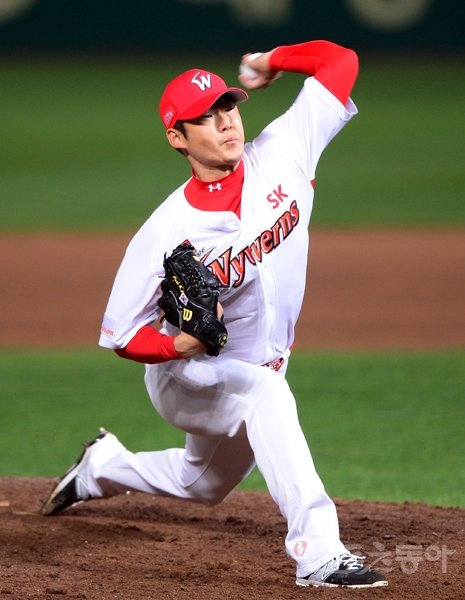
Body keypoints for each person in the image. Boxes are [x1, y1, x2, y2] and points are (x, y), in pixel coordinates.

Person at [40, 39, 388, 589]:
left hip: (260, 366)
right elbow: (121, 335)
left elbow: (340, 62)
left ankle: (101, 468)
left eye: (228, 106)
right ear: (177, 138)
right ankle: (319, 554)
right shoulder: (164, 232)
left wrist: (271, 61)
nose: (226, 121)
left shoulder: (285, 151)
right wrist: (180, 345)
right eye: (205, 116)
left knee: (202, 484)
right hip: (187, 376)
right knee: (266, 396)